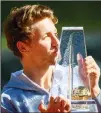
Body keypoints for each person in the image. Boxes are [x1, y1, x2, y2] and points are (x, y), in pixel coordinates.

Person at [1, 4, 101, 113]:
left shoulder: (75, 81)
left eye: (55, 34)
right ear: (23, 47)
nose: (57, 43)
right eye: (46, 37)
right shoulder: (8, 101)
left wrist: (95, 90)